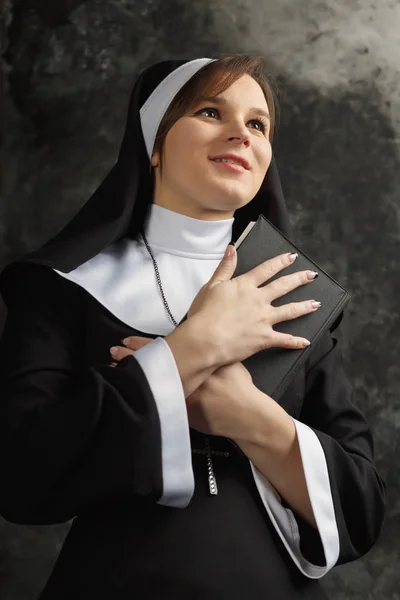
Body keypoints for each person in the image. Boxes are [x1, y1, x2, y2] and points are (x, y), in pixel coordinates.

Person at [0, 55, 386, 599]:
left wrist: (248, 415)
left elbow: (362, 508)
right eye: (211, 111)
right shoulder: (63, 287)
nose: (240, 134)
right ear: (153, 144)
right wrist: (188, 351)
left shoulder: (298, 302)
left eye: (257, 124)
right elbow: (20, 475)